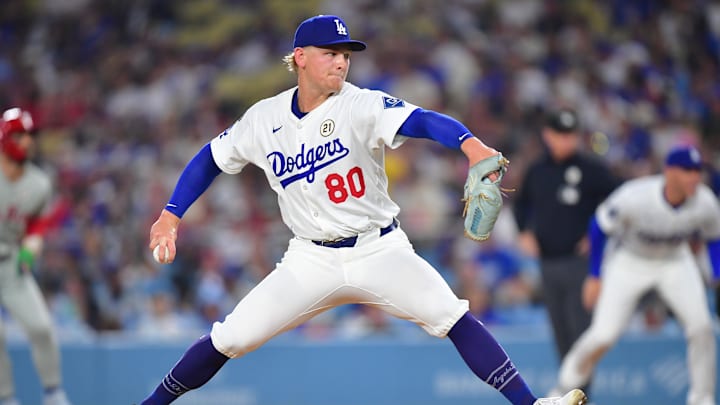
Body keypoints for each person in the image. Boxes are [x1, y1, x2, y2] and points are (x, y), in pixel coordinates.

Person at [139, 15, 587, 405]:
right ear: (299, 57)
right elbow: (209, 159)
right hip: (309, 259)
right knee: (231, 337)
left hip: (379, 250)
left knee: (450, 314)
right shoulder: (263, 118)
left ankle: (530, 404)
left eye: (346, 54)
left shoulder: (361, 104)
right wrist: (171, 213)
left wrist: (470, 145)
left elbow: (424, 120)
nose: (341, 61)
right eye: (330, 52)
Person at [551, 145, 720, 405]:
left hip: (675, 261)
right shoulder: (636, 196)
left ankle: (702, 399)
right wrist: (595, 275)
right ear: (669, 171)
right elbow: (598, 226)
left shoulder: (705, 201)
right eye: (687, 171)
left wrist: (717, 271)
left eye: (697, 171)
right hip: (631, 261)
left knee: (701, 327)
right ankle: (564, 387)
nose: (694, 177)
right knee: (604, 334)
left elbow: (714, 238)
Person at [512, 108, 620, 372]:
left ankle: (582, 392)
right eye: (560, 134)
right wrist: (523, 231)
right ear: (548, 135)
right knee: (560, 333)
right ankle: (572, 392)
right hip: (547, 262)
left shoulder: (591, 169)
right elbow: (520, 204)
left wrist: (601, 234)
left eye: (570, 135)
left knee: (581, 332)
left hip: (579, 263)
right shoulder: (537, 170)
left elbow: (621, 201)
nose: (565, 141)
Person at [0, 107, 72, 405]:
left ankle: (53, 393)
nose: (27, 142)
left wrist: (32, 245)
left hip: (11, 262)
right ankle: (5, 397)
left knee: (41, 327)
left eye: (30, 135)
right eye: (20, 134)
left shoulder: (39, 183)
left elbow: (36, 226)